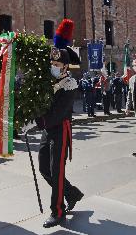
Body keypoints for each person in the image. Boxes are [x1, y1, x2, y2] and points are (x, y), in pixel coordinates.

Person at [34, 20, 84, 228]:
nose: (53, 67)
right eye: (51, 64)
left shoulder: (69, 84)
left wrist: (36, 122)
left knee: (57, 170)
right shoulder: (48, 82)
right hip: (48, 129)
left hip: (60, 129)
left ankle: (58, 211)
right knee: (44, 167)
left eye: (57, 65)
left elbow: (56, 114)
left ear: (65, 66)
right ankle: (72, 193)